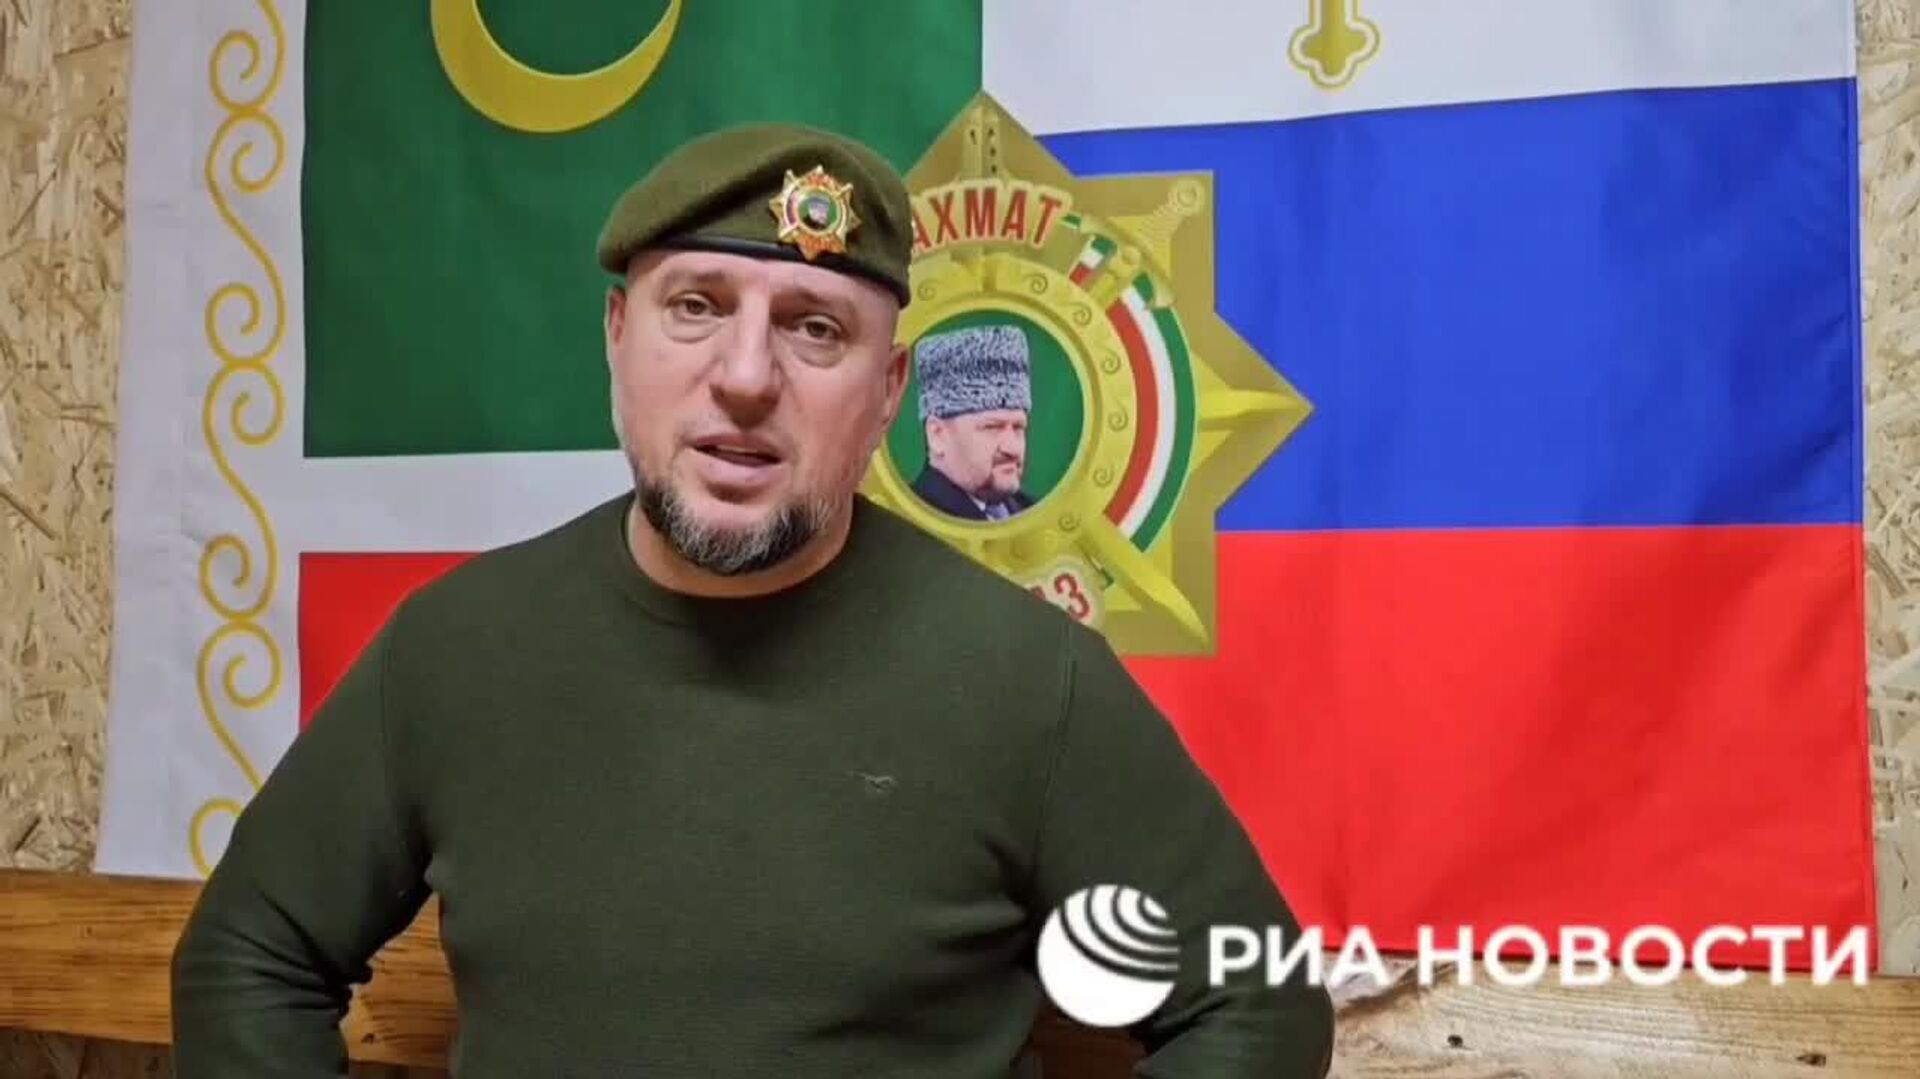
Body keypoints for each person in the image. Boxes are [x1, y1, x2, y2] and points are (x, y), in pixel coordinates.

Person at [170, 122, 1334, 1078]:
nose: (742, 377)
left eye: (814, 328)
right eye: (695, 305)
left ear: (889, 393)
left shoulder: (1029, 679)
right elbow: (248, 957)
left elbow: (1259, 1005)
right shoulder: (458, 645)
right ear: (617, 335)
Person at [911, 324, 1038, 521]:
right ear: (937, 435)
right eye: (992, 427)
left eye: (1018, 427)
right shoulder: (911, 519)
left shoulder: (1034, 512)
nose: (1012, 448)